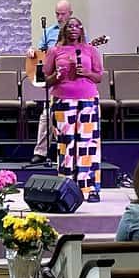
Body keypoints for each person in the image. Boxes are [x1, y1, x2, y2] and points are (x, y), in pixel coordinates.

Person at [44, 16, 104, 201]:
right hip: (63, 99)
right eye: (69, 26)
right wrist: (57, 75)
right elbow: (45, 80)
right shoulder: (55, 51)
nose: (73, 29)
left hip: (87, 99)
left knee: (87, 144)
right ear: (64, 30)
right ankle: (66, 187)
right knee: (66, 144)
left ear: (81, 30)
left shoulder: (91, 50)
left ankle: (88, 187)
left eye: (77, 26)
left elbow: (99, 77)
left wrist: (86, 73)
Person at [26, 0, 73, 164]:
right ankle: (40, 152)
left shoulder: (77, 33)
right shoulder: (49, 32)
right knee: (47, 115)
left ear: (70, 14)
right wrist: (32, 52)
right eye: (57, 14)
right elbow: (40, 54)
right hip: (54, 81)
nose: (59, 17)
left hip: (70, 82)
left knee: (66, 117)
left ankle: (67, 152)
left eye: (63, 14)